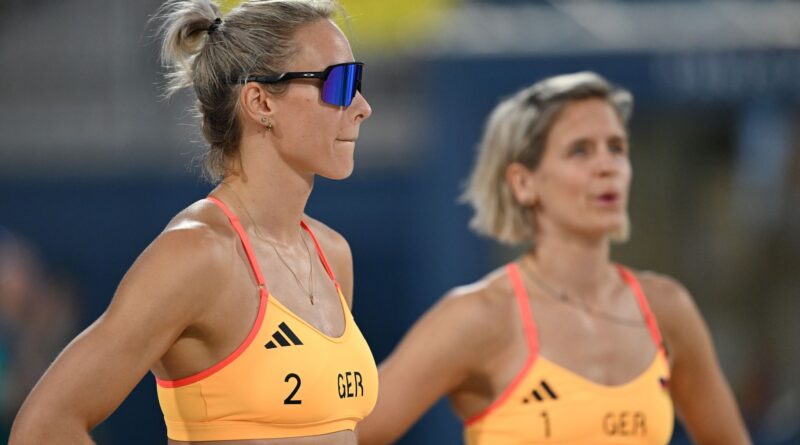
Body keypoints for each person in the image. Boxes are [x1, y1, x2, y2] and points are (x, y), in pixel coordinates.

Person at [10, 0, 376, 443]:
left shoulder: (332, 254)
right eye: (339, 84)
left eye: (357, 81)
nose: (362, 107)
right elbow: (44, 427)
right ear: (260, 102)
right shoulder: (199, 253)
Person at [357, 72, 751, 444]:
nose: (607, 167)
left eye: (617, 148)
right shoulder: (479, 316)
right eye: (580, 150)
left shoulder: (667, 309)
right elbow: (347, 434)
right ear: (523, 182)